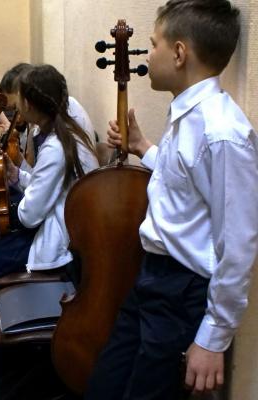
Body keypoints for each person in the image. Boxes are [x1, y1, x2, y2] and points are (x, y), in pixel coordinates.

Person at [85, 1, 258, 399]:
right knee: (104, 386)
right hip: (152, 278)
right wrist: (143, 146)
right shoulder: (187, 114)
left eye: (153, 44)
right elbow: (183, 181)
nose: (148, 53)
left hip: (182, 292)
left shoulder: (223, 132)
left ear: (179, 53)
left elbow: (239, 243)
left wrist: (213, 337)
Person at [0, 64, 99, 377]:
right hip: (53, 223)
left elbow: (29, 215)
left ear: (30, 104)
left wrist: (17, 191)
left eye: (19, 101)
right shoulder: (62, 132)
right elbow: (45, 187)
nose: (16, 107)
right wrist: (17, 177)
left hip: (57, 242)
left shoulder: (57, 146)